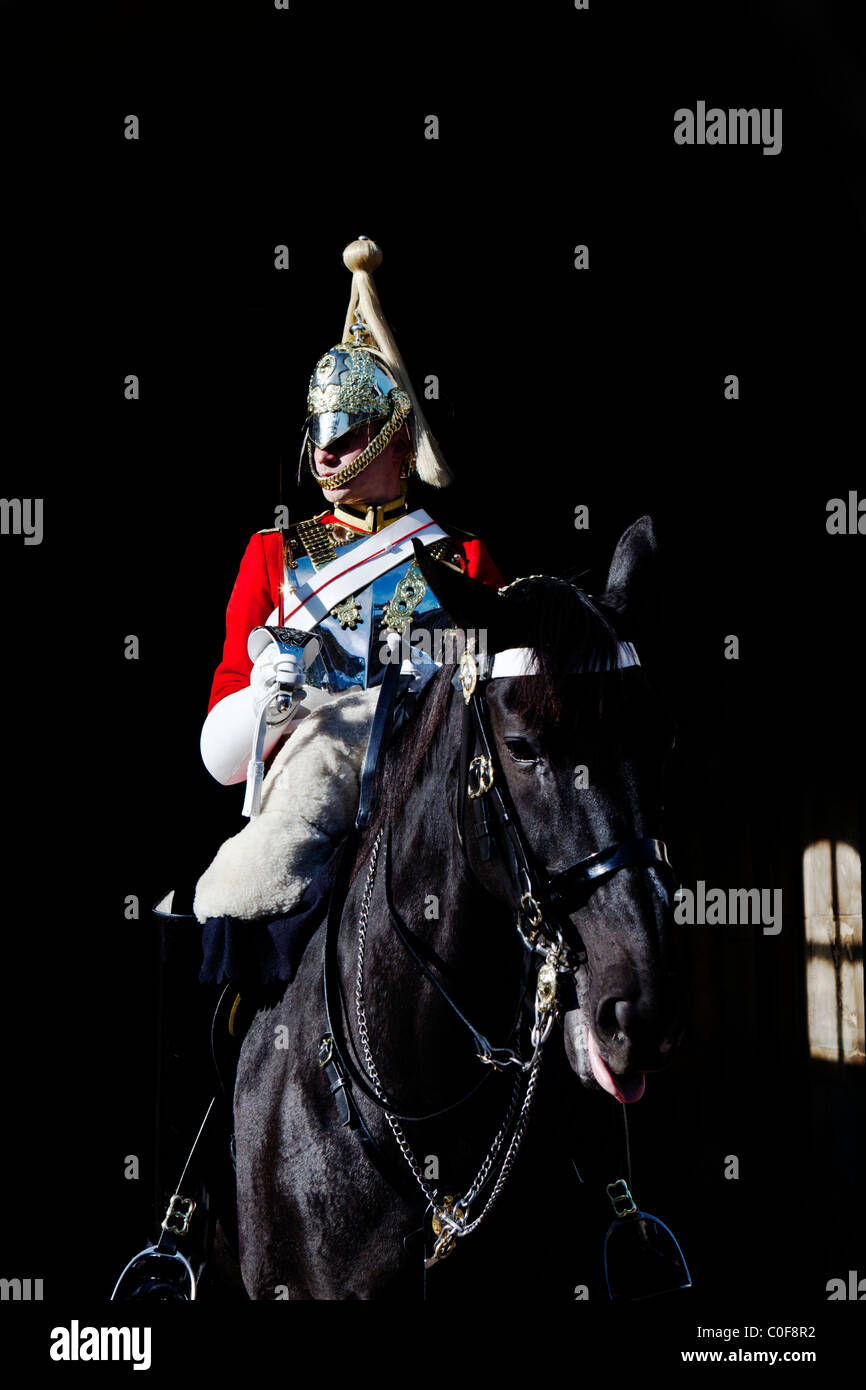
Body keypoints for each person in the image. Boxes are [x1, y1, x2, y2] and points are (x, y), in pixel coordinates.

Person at [192, 238, 503, 963]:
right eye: (321, 435)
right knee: (234, 898)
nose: (327, 454)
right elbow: (221, 757)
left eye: (351, 433)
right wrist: (266, 698)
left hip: (435, 787)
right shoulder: (275, 554)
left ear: (396, 440)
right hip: (314, 781)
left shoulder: (464, 559)